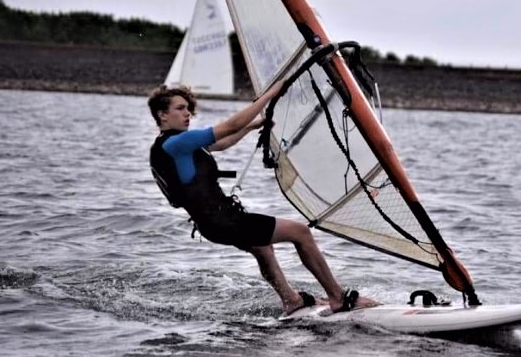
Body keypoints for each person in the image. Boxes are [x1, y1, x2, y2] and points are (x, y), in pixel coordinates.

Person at [147, 82, 376, 315]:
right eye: (180, 108)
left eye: (188, 109)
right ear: (162, 114)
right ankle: (338, 298)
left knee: (262, 248)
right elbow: (230, 125)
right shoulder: (178, 143)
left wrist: (253, 126)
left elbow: (222, 142)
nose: (187, 114)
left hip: (212, 224)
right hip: (225, 221)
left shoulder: (169, 146)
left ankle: (291, 300)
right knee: (300, 232)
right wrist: (270, 94)